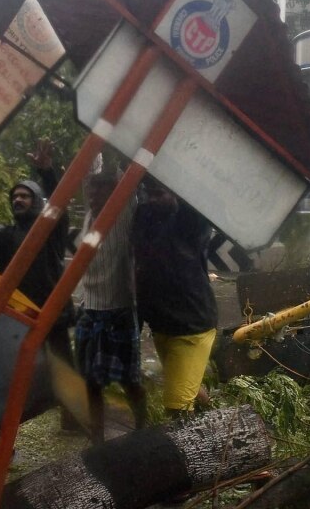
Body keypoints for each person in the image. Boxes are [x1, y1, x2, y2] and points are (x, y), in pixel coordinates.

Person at [0, 139, 79, 427]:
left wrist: (47, 172)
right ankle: (4, 426)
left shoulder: (51, 229)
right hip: (18, 316)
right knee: (13, 371)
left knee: (64, 366)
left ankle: (75, 418)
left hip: (51, 313)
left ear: (38, 201)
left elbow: (60, 202)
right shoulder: (6, 234)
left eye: (25, 196)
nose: (18, 199)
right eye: (15, 196)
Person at [72, 166, 148, 442]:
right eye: (90, 188)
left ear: (113, 190)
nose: (93, 193)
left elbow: (128, 178)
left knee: (130, 380)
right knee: (91, 382)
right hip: (89, 311)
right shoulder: (89, 218)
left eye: (100, 188)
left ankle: (142, 430)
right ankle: (97, 440)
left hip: (119, 311)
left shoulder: (125, 213)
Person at [132, 177, 218, 419]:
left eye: (159, 193)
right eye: (148, 193)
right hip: (162, 327)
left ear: (178, 193)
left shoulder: (189, 224)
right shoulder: (144, 219)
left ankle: (197, 451)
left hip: (191, 329)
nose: (152, 199)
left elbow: (198, 201)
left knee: (177, 409)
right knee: (185, 387)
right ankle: (223, 419)